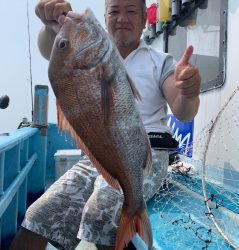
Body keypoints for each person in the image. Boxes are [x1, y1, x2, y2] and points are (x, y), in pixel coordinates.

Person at [10, 0, 201, 249]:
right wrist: (51, 26)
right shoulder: (94, 49)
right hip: (98, 157)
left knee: (98, 215)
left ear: (144, 19)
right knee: (37, 216)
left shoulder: (161, 61)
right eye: (114, 11)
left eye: (131, 11)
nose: (122, 17)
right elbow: (51, 49)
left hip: (146, 156)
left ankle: (133, 212)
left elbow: (183, 111)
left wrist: (188, 92)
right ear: (105, 16)